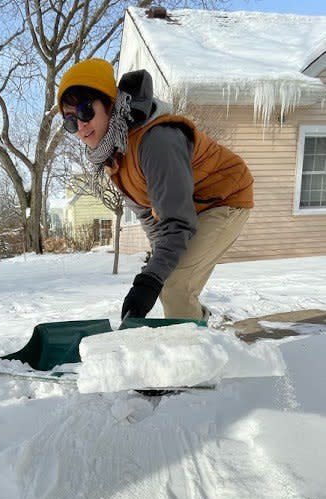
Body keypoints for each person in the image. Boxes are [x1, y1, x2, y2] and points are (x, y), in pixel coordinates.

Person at [57, 58, 253, 321]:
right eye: (70, 121)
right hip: (193, 207)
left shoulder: (155, 141)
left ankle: (195, 355)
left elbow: (177, 222)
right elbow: (150, 215)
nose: (80, 126)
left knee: (174, 287)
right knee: (166, 277)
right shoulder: (116, 155)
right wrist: (154, 268)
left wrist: (150, 280)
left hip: (224, 199)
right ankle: (199, 334)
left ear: (110, 103)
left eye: (85, 111)